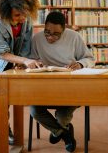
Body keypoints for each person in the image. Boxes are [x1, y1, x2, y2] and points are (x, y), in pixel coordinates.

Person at [0, 0, 42, 145]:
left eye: (25, 13)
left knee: (14, 93)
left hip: (12, 56)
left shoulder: (26, 20)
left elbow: (26, 46)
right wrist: (23, 61)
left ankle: (12, 127)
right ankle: (2, 130)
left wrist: (23, 61)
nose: (22, 18)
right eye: (17, 14)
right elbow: (0, 53)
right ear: (7, 12)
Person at [30, 11, 95, 152]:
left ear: (64, 30)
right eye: (47, 32)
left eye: (55, 34)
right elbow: (32, 59)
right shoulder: (37, 39)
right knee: (34, 110)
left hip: (72, 87)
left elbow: (90, 59)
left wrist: (80, 64)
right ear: (44, 26)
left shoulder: (74, 37)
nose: (50, 37)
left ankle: (57, 130)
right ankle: (65, 133)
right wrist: (35, 63)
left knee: (62, 116)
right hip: (45, 87)